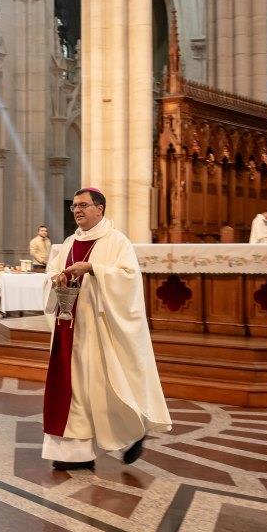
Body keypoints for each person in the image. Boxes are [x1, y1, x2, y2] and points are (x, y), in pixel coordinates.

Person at [43, 188, 172, 471]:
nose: (77, 210)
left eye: (83, 205)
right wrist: (57, 279)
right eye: (75, 206)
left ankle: (135, 430)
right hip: (69, 326)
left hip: (100, 328)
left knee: (105, 388)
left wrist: (93, 268)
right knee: (73, 387)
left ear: (99, 209)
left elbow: (129, 279)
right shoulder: (69, 242)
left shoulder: (117, 241)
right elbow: (52, 272)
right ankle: (75, 453)